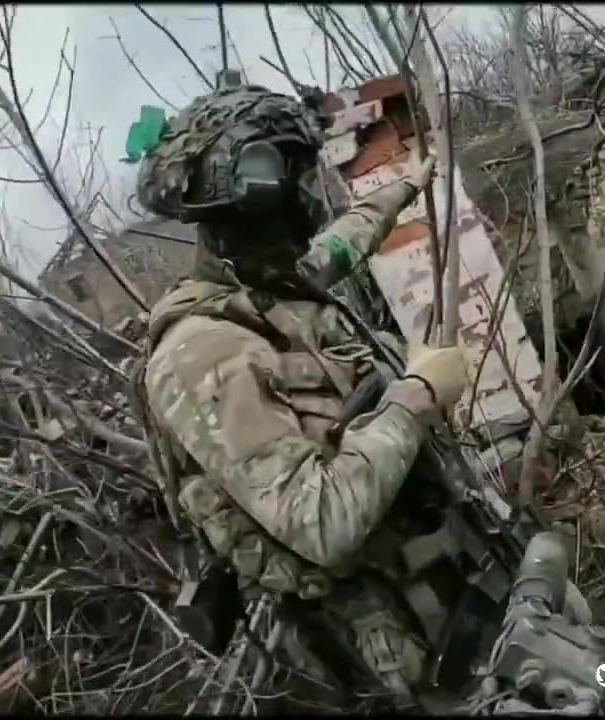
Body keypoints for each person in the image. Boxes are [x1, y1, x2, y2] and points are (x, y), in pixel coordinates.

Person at [129, 80, 472, 707]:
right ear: (262, 197)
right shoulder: (203, 352)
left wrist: (407, 184)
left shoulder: (270, 282)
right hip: (384, 629)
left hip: (425, 567)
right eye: (297, 177)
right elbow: (322, 523)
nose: (311, 195)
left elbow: (349, 236)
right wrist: (417, 396)